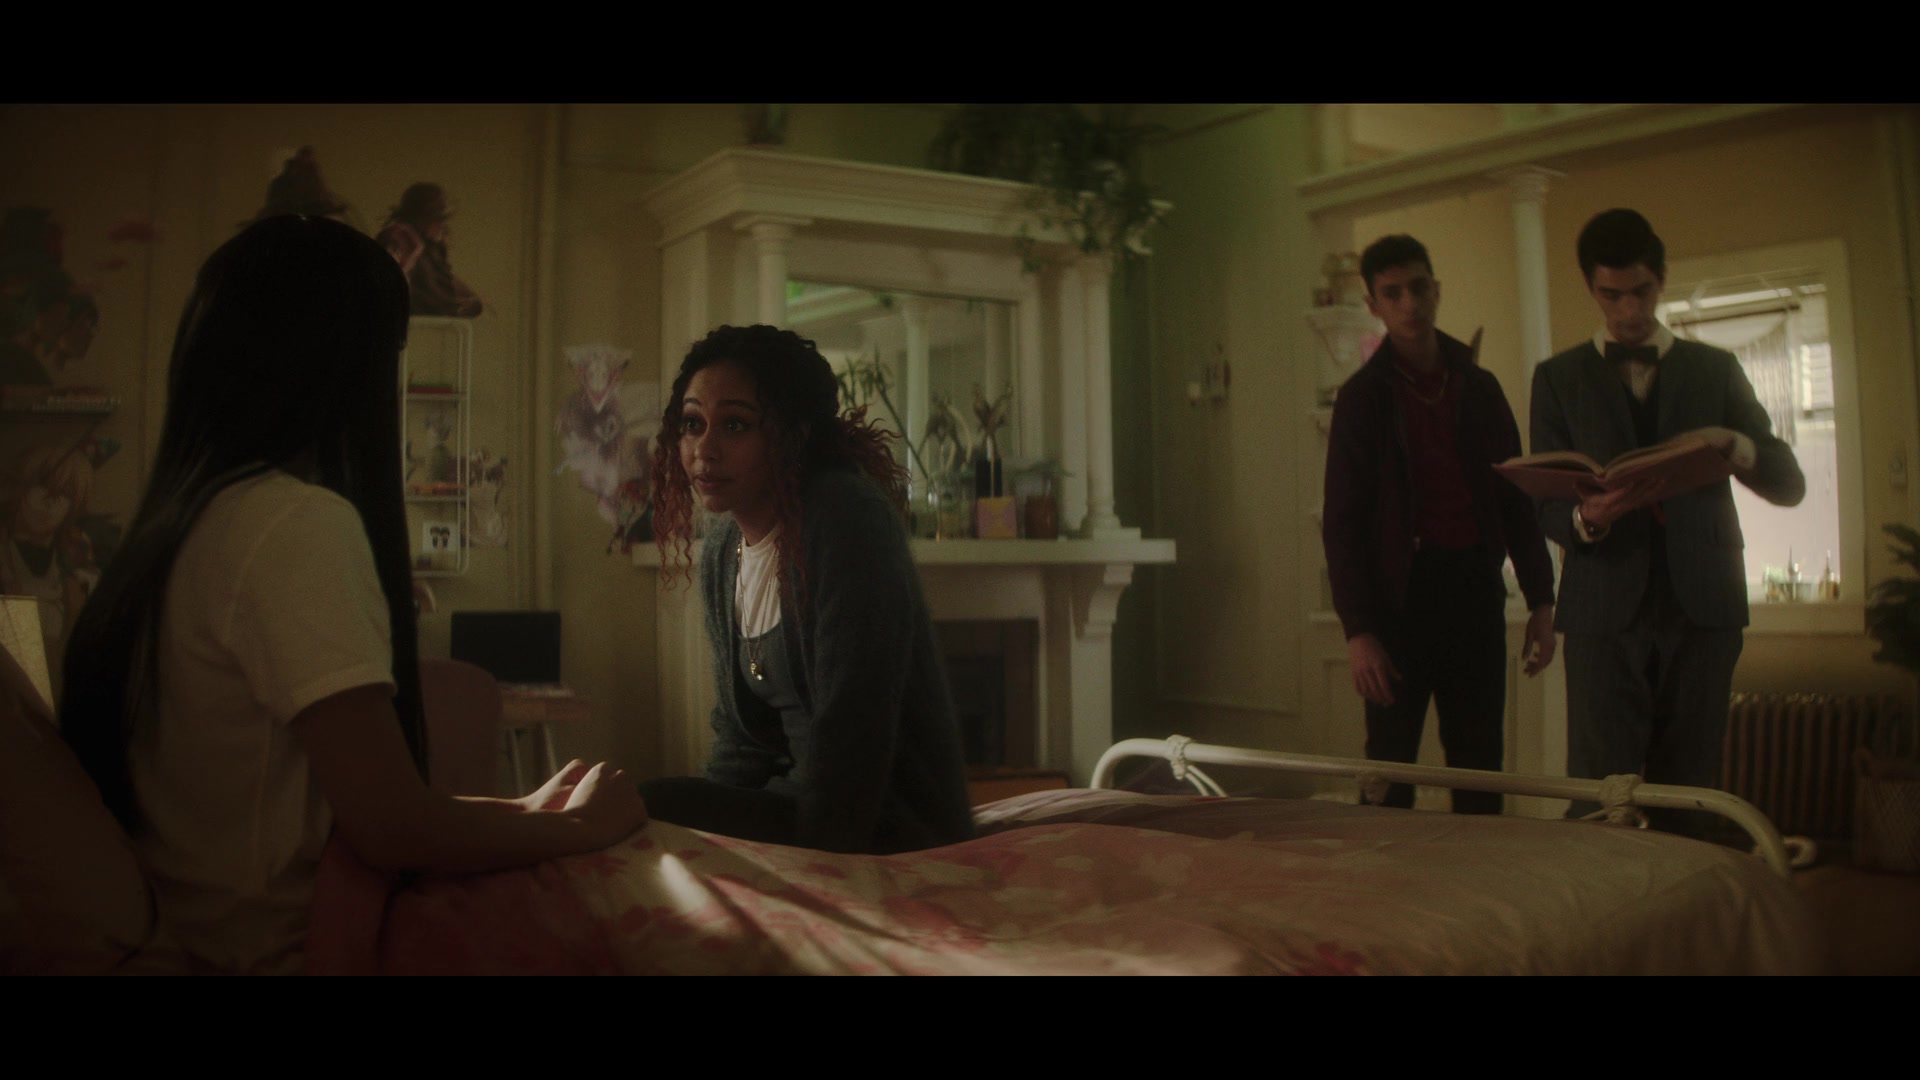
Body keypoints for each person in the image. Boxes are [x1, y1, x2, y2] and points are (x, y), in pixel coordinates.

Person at [57, 215, 647, 974]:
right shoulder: (291, 522)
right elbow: (393, 829)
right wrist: (578, 829)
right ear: (345, 368)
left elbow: (350, 804)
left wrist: (524, 809)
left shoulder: (182, 524)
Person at [641, 324, 974, 855]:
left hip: (882, 822)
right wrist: (710, 832)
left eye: (734, 425)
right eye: (692, 423)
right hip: (791, 806)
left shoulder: (846, 518)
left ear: (791, 435)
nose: (704, 448)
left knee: (639, 806)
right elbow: (741, 741)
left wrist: (820, 873)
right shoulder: (724, 548)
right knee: (622, 803)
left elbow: (854, 734)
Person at [1530, 209, 1805, 837]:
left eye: (1642, 291)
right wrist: (1586, 518)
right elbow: (1544, 503)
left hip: (1703, 607)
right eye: (1612, 295)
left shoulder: (1716, 370)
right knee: (1601, 795)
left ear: (1662, 279)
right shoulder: (1557, 378)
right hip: (1602, 610)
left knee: (1692, 793)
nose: (1629, 310)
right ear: (1590, 287)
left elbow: (1789, 485)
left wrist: (1732, 443)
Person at [1322, 234, 1558, 813]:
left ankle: (1476, 872)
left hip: (1474, 590)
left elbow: (1516, 497)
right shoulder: (1362, 399)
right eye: (1393, 293)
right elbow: (1342, 523)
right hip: (1397, 602)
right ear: (1374, 305)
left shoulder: (1479, 387)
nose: (1409, 303)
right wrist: (1359, 631)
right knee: (1389, 767)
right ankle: (1386, 870)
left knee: (1480, 768)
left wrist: (1542, 600)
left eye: (1418, 287)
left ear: (1437, 290)